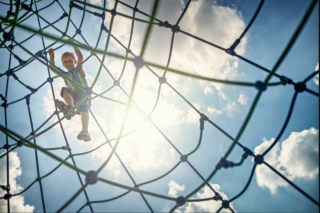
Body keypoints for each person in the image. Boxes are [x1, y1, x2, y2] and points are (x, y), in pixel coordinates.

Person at [48, 38, 91, 141]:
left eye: (70, 61)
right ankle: (70, 108)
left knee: (83, 109)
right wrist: (52, 56)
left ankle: (85, 131)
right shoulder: (65, 75)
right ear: (63, 64)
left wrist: (73, 44)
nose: (68, 63)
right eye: (65, 62)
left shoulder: (78, 70)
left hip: (84, 95)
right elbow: (53, 68)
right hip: (73, 95)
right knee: (64, 90)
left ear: (74, 62)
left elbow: (80, 56)